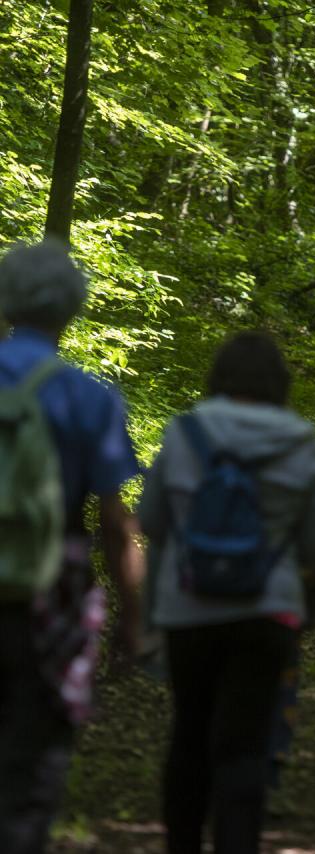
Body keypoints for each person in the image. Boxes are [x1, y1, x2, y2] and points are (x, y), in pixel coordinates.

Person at [138, 330, 315, 854]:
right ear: (278, 381)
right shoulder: (298, 439)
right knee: (246, 744)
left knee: (189, 736)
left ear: (218, 376)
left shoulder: (185, 433)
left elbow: (153, 520)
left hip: (188, 611)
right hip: (267, 613)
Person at [0, 239, 142, 854]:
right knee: (34, 758)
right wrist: (131, 620)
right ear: (72, 309)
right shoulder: (90, 397)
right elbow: (113, 523)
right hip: (47, 594)